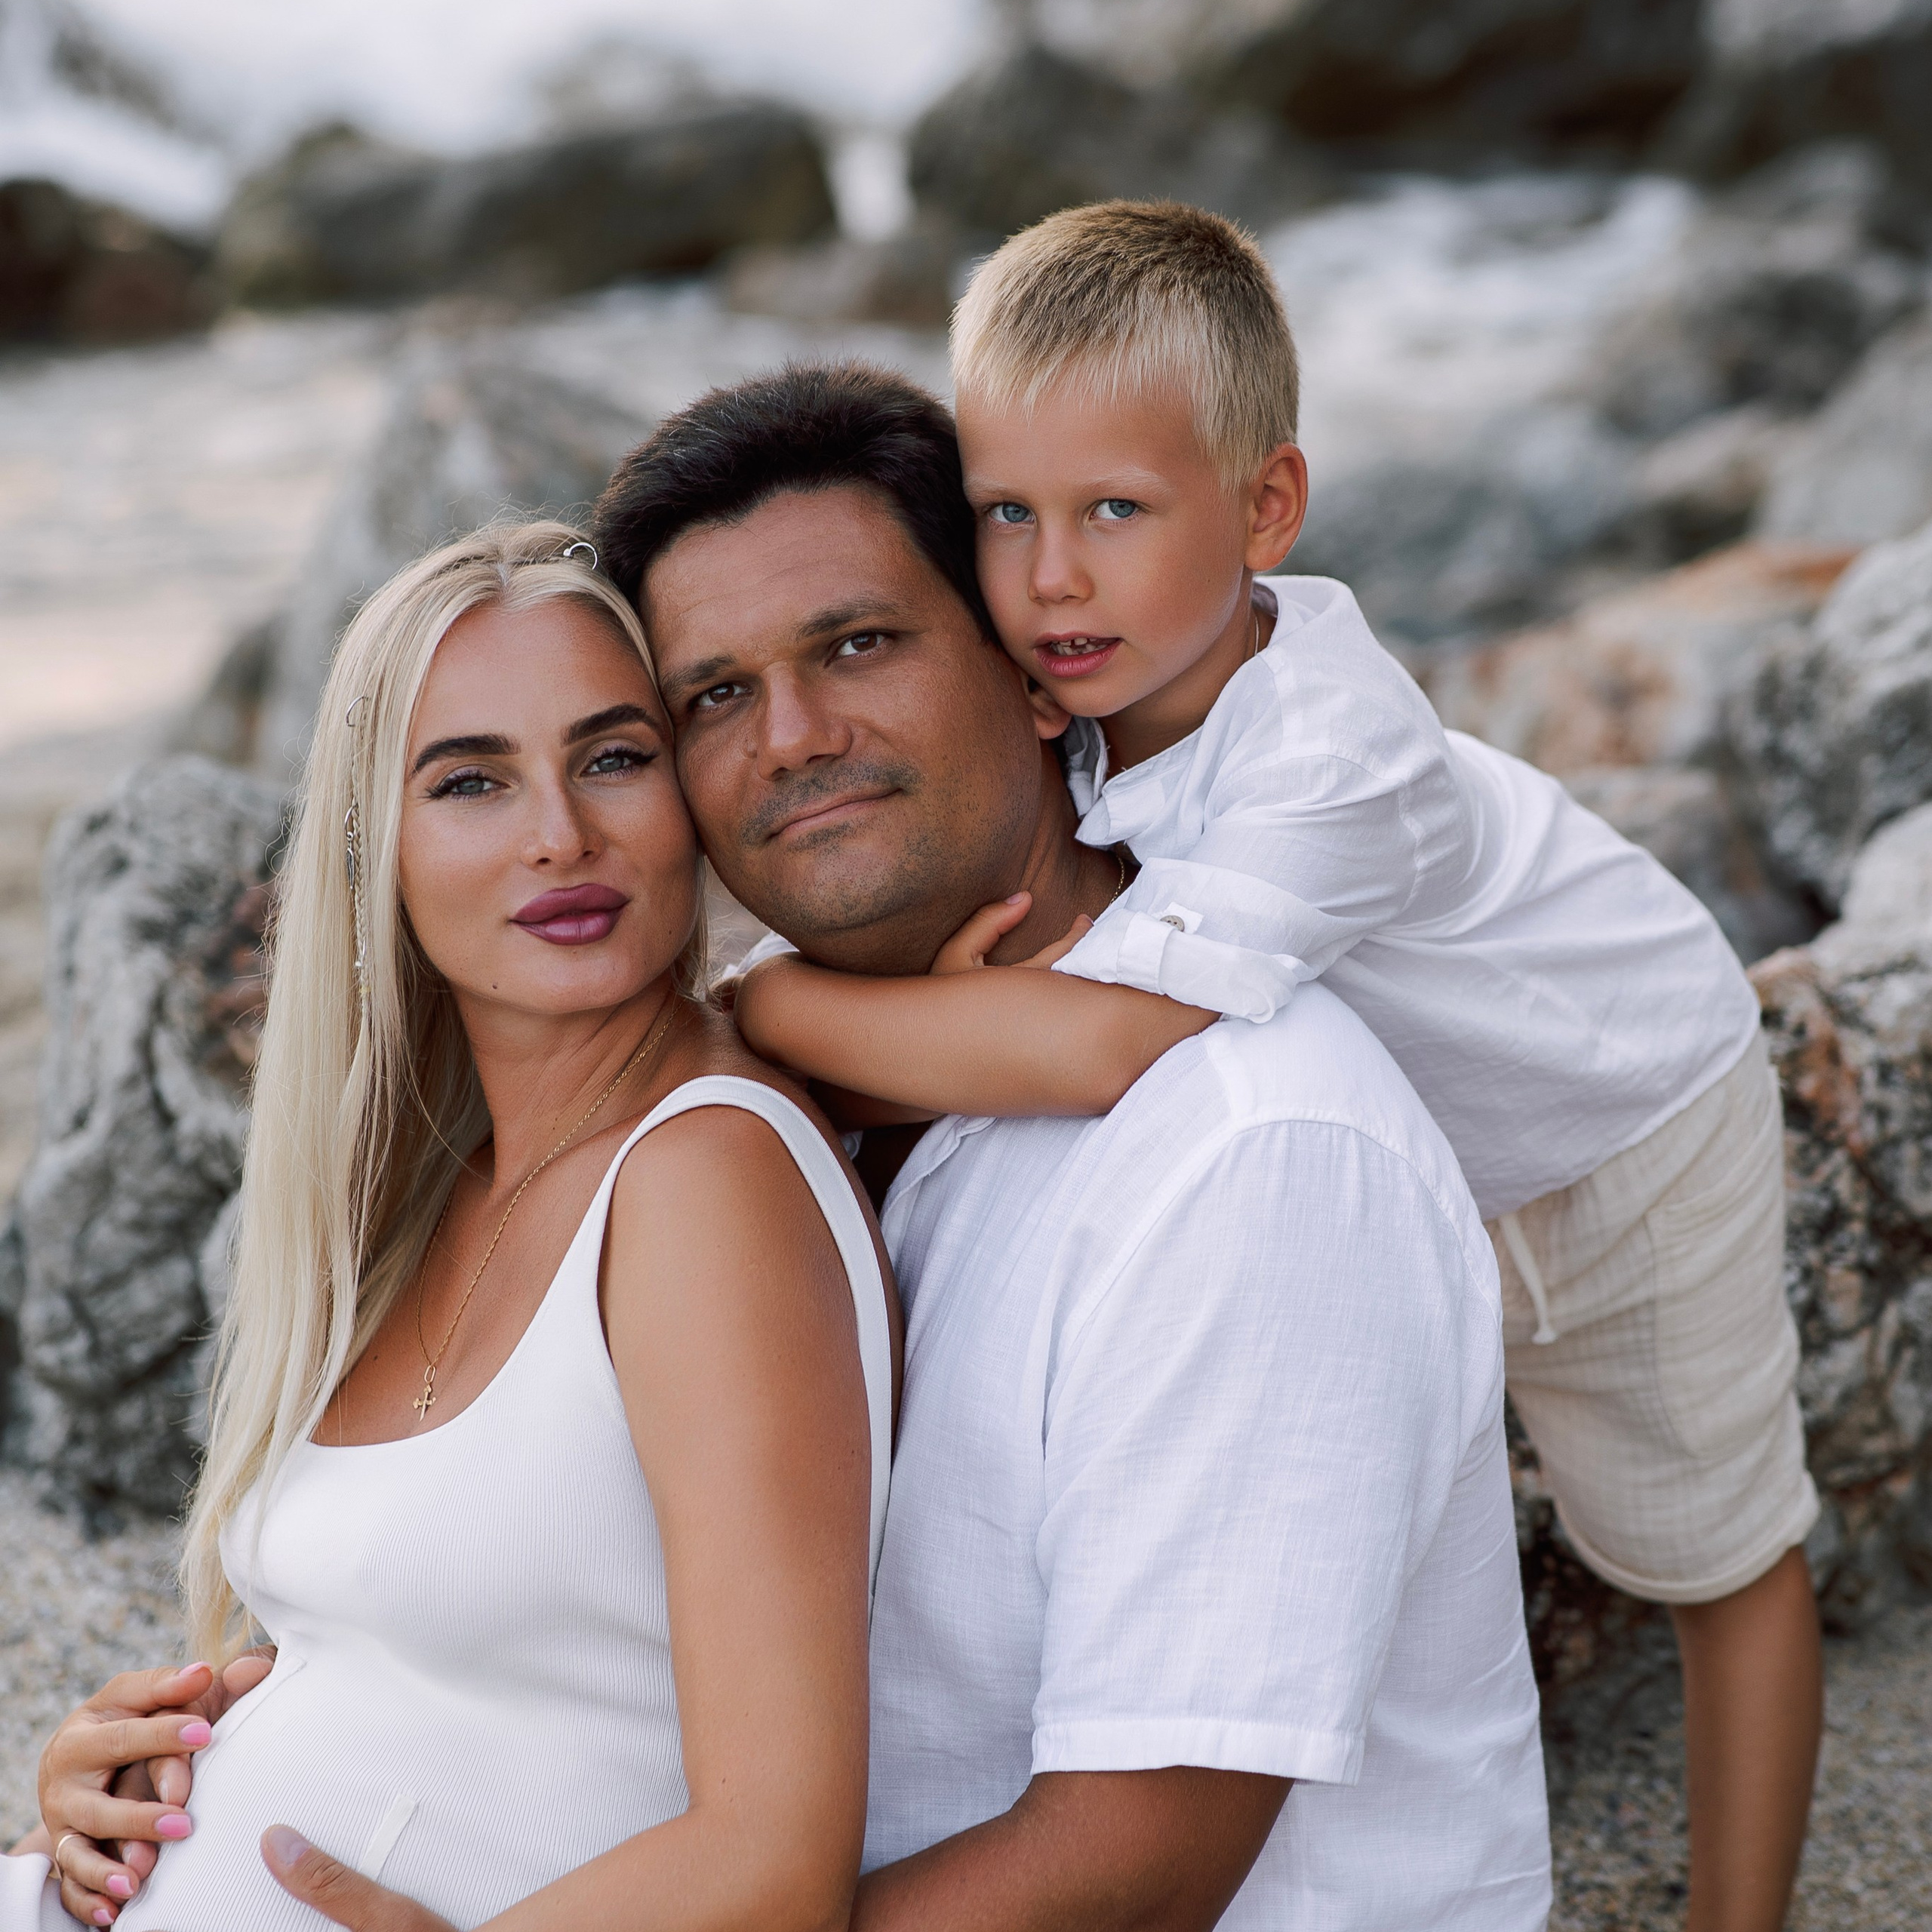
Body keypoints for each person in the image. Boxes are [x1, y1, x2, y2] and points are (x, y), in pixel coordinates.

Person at [35, 365, 1549, 1930]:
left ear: (1040, 671)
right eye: (712, 697)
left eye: (857, 643)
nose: (794, 737)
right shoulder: (821, 1082)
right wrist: (189, 1753)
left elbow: (1136, 1866)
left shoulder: (1250, 1153)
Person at [731, 205, 1825, 1932]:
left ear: (1265, 509)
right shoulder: (1070, 688)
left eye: (1113, 511)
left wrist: (766, 1011)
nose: (1049, 576)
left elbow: (1106, 1041)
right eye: (1005, 513)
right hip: (1398, 1145)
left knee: (1709, 1545)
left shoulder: (1331, 747)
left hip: (1620, 1113)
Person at [8, 520, 896, 1931]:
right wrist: (100, 1791)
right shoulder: (426, 1188)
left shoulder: (704, 1178)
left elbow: (777, 1858)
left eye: (614, 757)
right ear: (378, 848)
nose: (562, 835)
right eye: (473, 780)